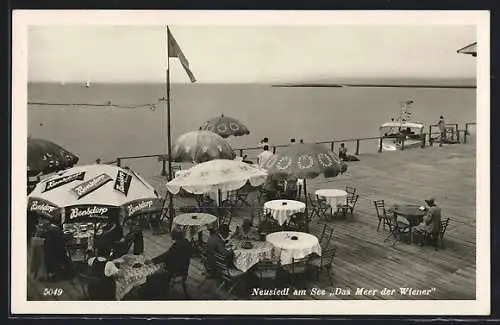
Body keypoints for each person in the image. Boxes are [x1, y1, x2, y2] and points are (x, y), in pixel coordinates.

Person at [149, 229, 193, 296]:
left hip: (176, 271)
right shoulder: (187, 243)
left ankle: (163, 293)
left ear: (174, 237)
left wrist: (152, 261)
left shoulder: (176, 247)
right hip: (184, 268)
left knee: (154, 274)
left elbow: (166, 256)